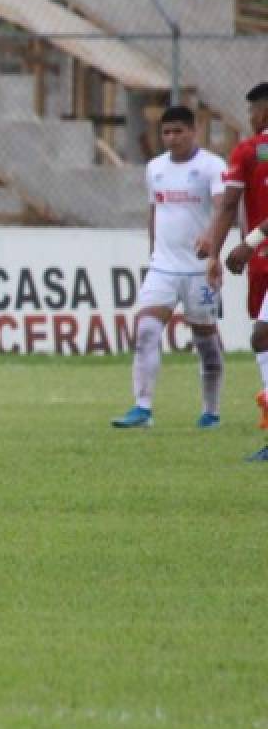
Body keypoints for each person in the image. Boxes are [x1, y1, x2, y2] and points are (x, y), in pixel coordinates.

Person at [111, 105, 226, 429]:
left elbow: (222, 208)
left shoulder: (211, 167)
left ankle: (211, 411)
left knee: (205, 341)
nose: (172, 138)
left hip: (199, 270)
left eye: (178, 131)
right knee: (146, 330)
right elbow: (154, 212)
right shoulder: (155, 168)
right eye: (166, 132)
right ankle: (142, 408)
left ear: (193, 131)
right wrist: (152, 255)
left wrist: (213, 245)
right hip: (163, 267)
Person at [199, 82, 268, 458]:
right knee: (262, 337)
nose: (251, 118)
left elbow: (228, 205)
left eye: (254, 111)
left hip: (261, 256)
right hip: (260, 257)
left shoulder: (250, 150)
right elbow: (227, 207)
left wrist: (242, 243)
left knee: (262, 337)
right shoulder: (251, 150)